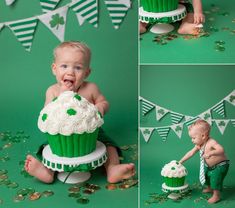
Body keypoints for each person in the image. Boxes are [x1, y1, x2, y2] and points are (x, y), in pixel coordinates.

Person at [24, 41, 135, 184]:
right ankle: (47, 172)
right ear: (54, 68)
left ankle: (112, 168)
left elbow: (103, 102)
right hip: (61, 133)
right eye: (64, 66)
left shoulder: (91, 88)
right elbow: (48, 112)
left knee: (109, 146)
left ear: (87, 72)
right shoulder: (52, 91)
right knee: (49, 147)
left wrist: (100, 108)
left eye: (77, 67)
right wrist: (63, 96)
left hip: (91, 131)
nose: (70, 72)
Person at [179, 119, 229, 203]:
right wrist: (181, 161)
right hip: (208, 165)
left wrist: (211, 153)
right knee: (205, 175)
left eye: (193, 138)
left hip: (220, 165)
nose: (192, 140)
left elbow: (221, 150)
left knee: (215, 178)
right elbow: (191, 153)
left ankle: (216, 196)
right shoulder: (199, 144)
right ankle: (209, 187)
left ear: (203, 136)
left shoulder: (212, 142)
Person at [139, 0, 205, 35]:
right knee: (145, 13)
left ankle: (185, 24)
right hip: (152, 7)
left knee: (190, 11)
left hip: (180, 7)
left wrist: (198, 12)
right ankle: (140, 25)